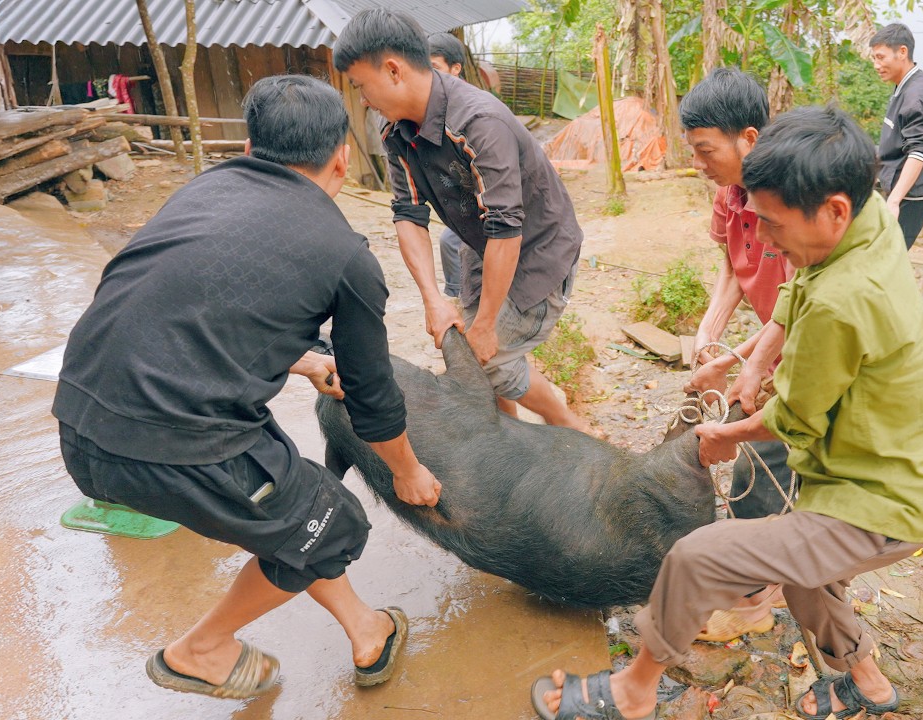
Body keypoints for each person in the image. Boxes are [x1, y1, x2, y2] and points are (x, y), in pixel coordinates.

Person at [530, 106, 923, 720]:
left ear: (833, 208)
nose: (767, 239)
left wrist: (723, 435)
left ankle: (633, 692)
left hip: (880, 502)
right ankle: (871, 684)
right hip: (891, 467)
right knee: (806, 578)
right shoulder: (869, 223)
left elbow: (792, 421)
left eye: (775, 225)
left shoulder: (845, 302)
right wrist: (749, 359)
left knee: (699, 555)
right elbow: (798, 287)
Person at [53, 75, 442, 699]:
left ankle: (367, 631)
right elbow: (372, 396)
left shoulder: (204, 189)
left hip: (79, 422)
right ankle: (200, 650)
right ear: (343, 155)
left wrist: (302, 358)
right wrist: (408, 471)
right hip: (169, 449)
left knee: (298, 510)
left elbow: (174, 301)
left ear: (248, 148)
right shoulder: (346, 255)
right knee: (334, 525)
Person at [333, 9, 596, 436]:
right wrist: (433, 298)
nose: (362, 98)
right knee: (480, 359)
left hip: (538, 250)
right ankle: (510, 440)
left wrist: (488, 324)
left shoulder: (478, 122)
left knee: (483, 361)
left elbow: (508, 228)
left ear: (394, 70)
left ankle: (565, 421)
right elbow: (408, 213)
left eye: (362, 85)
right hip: (481, 244)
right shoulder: (394, 130)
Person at [678, 67, 797, 643]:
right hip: (772, 343)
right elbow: (732, 268)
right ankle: (770, 569)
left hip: (805, 342)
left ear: (748, 139)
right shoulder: (731, 194)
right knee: (774, 456)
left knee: (762, 456)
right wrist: (710, 332)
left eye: (707, 150)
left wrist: (735, 362)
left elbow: (798, 303)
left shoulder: (790, 195)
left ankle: (755, 600)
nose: (699, 163)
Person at [871, 23, 923, 249]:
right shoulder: (906, 86)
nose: (876, 65)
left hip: (911, 197)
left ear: (902, 52)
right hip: (902, 192)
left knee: (888, 260)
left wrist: (895, 200)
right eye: (873, 58)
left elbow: (919, 150)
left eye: (881, 57)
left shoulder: (915, 94)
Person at [429, 31, 473, 299]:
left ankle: (464, 298)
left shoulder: (473, 108)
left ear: (455, 69)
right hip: (463, 195)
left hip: (492, 198)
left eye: (434, 68)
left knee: (452, 241)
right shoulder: (436, 103)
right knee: (450, 242)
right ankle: (460, 297)